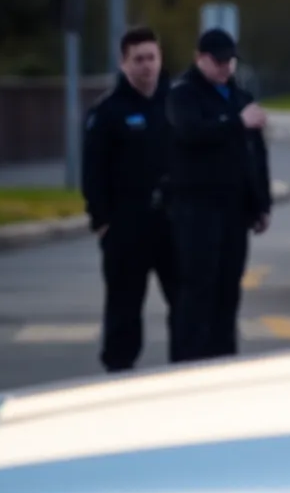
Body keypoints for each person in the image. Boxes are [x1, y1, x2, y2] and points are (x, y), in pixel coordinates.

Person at [165, 28, 272, 362]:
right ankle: (189, 360)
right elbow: (191, 133)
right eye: (218, 61)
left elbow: (255, 155)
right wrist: (236, 122)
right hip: (196, 210)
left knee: (228, 291)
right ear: (200, 59)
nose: (225, 67)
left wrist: (261, 203)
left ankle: (224, 359)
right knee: (198, 290)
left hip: (233, 211)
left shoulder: (239, 96)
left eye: (230, 61)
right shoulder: (184, 95)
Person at [81, 25, 178, 372]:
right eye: (138, 59)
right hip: (126, 229)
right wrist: (102, 221)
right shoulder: (108, 112)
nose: (146, 66)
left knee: (186, 309)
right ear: (124, 63)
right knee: (124, 312)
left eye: (151, 57)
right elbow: (93, 172)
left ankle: (187, 374)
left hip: (172, 227)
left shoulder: (177, 104)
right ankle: (119, 375)